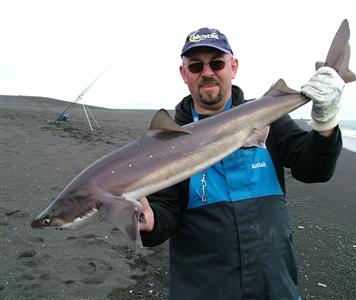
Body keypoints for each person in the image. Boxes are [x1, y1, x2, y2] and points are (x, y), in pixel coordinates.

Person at [138, 27, 344, 299]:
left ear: (233, 67)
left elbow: (313, 169)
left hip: (275, 287)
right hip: (203, 291)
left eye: (217, 63)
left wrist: (325, 122)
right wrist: (150, 223)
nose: (207, 72)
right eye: (196, 65)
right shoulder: (169, 139)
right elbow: (165, 213)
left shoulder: (268, 117)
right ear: (184, 73)